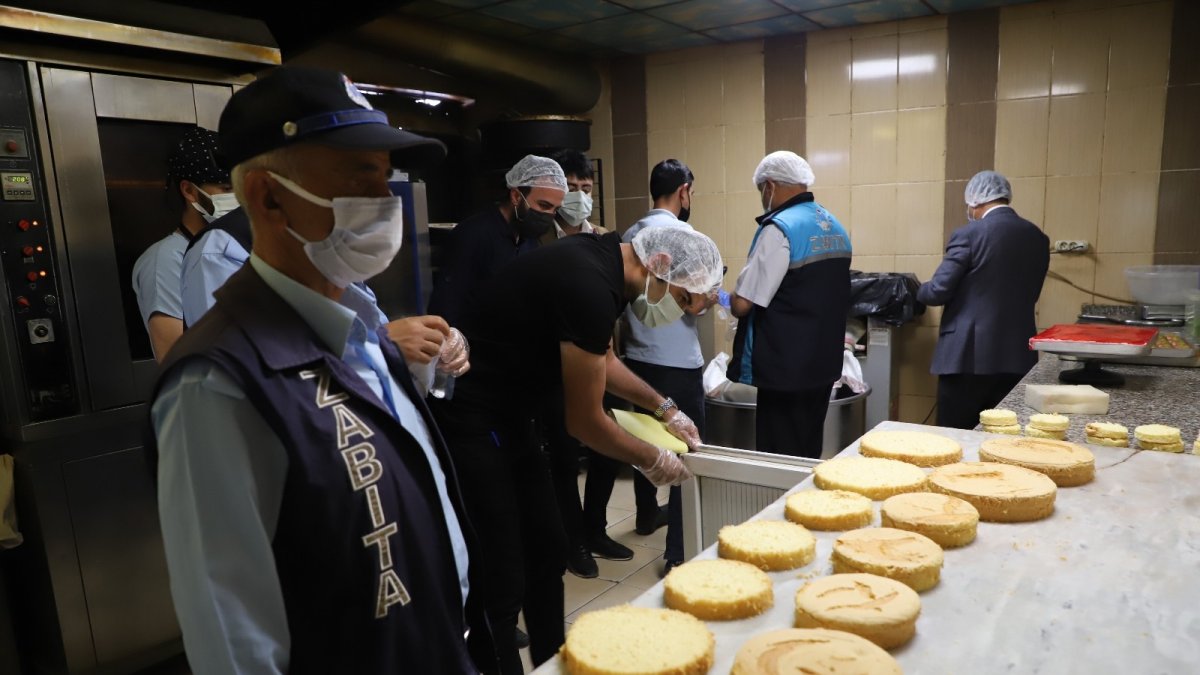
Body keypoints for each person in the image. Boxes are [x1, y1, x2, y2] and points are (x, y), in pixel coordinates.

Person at [148, 65, 495, 674]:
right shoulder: (219, 385)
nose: (386, 205)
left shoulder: (363, 328)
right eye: (360, 179)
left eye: (386, 180)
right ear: (268, 196)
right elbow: (234, 641)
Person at [431, 226, 722, 674]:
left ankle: (553, 660)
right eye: (683, 299)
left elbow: (602, 359)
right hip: (472, 417)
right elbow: (584, 422)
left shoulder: (603, 261)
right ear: (659, 264)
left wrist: (665, 408)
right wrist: (650, 458)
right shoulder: (589, 283)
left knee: (548, 549)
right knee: (502, 573)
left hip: (514, 415)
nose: (677, 310)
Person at [583, 159, 700, 578]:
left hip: (633, 361)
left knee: (639, 437)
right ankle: (678, 555)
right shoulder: (686, 238)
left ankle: (642, 515)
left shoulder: (630, 235)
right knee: (684, 450)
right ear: (684, 191)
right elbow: (697, 301)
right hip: (676, 362)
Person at [729, 151, 852, 458]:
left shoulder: (780, 229)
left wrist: (720, 296)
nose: (763, 198)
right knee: (807, 450)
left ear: (770, 185)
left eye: (761, 191)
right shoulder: (835, 226)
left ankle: (781, 507)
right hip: (822, 366)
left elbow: (743, 304)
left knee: (777, 457)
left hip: (784, 370)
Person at [917, 170, 1049, 429]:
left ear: (976, 201)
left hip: (967, 356)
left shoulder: (969, 234)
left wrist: (917, 289)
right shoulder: (1037, 237)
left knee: (957, 433)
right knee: (1002, 434)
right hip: (1016, 355)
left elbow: (937, 292)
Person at [537, 149, 614, 580]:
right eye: (574, 188)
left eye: (587, 189)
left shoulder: (601, 237)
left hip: (598, 358)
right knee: (565, 456)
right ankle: (574, 542)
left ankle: (596, 527)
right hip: (553, 365)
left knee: (605, 450)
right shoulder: (541, 239)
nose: (581, 196)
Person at [132, 127, 233, 361]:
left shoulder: (232, 247)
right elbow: (176, 359)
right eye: (226, 189)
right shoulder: (165, 260)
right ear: (189, 190)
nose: (237, 198)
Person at [427, 155, 565, 325]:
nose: (549, 215)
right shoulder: (473, 235)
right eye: (543, 206)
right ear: (515, 196)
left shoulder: (528, 238)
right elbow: (447, 306)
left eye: (555, 209)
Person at [541, 148, 607, 242]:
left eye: (586, 190)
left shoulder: (602, 235)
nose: (580, 197)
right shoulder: (538, 238)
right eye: (571, 189)